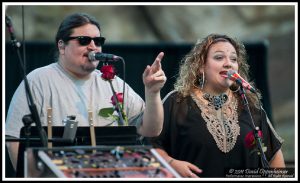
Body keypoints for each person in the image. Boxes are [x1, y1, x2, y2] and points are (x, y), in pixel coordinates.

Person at [5, 12, 167, 171]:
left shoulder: (112, 82)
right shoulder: (37, 80)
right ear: (61, 46)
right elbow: (13, 139)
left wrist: (152, 92)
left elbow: (151, 130)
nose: (93, 46)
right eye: (84, 40)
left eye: (98, 41)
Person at [149, 34, 285, 178]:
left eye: (233, 59)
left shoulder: (250, 106)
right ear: (201, 66)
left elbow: (275, 157)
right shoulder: (177, 102)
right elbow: (149, 145)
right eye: (219, 57)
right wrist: (170, 163)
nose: (228, 63)